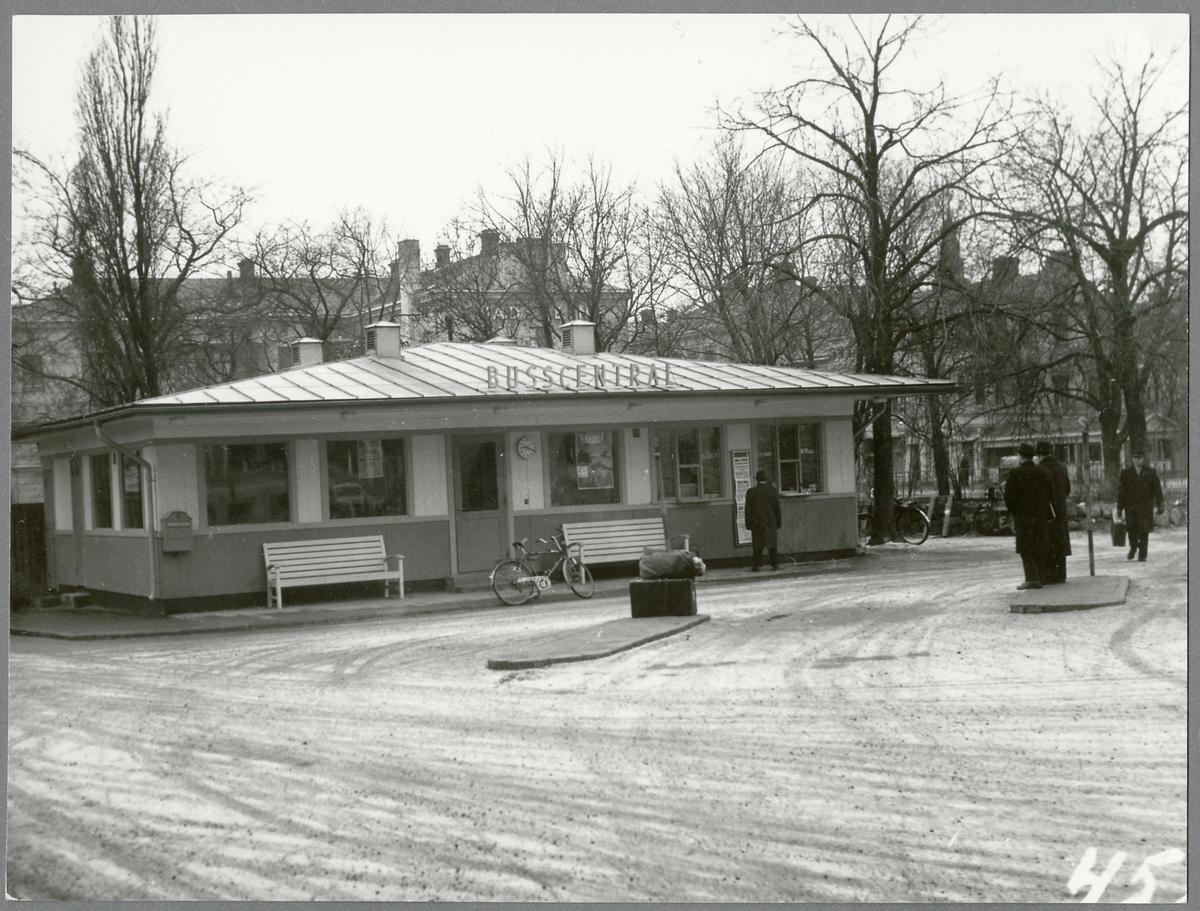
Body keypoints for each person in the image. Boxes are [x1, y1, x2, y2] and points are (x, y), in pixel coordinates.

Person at [1004, 442, 1054, 590]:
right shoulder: (1044, 472)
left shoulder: (1015, 473)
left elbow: (1009, 498)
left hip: (1023, 516)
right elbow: (1052, 495)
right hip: (1041, 517)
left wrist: (1016, 512)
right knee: (1040, 546)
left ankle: (1031, 578)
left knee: (1026, 548)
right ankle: (1041, 577)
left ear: (1020, 456)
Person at [1117, 446, 1164, 562]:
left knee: (1144, 531)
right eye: (1134, 458)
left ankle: (1142, 554)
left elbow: (1157, 489)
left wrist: (1160, 504)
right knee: (1131, 529)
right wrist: (1119, 508)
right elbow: (1122, 492)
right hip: (1130, 507)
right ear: (1132, 459)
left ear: (1143, 459)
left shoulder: (1150, 472)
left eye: (1139, 458)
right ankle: (1133, 548)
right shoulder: (1126, 473)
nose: (1137, 460)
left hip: (1145, 507)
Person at [1036, 440, 1071, 584]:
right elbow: (1068, 488)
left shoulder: (1040, 469)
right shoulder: (1062, 467)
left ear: (1039, 455)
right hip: (1061, 509)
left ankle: (1050, 575)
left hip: (1047, 511)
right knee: (1061, 540)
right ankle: (1061, 574)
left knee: (1048, 541)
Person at [744, 469, 782, 571]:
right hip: (771, 522)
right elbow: (777, 509)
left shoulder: (751, 492)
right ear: (766, 479)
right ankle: (775, 565)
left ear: (757, 480)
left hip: (756, 522)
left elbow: (748, 510)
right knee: (772, 544)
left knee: (757, 544)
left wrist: (748, 524)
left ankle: (756, 566)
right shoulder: (773, 491)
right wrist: (778, 522)